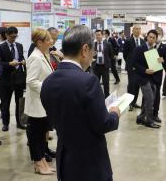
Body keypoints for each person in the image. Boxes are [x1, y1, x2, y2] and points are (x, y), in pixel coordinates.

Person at [41, 25, 120, 181]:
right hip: (90, 163)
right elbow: (103, 124)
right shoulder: (88, 81)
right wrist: (114, 113)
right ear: (85, 49)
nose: (93, 56)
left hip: (65, 161)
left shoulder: (48, 81)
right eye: (92, 51)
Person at [25, 28, 55, 175]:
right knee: (36, 135)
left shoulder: (44, 55)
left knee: (42, 134)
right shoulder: (35, 57)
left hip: (43, 103)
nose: (51, 42)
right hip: (37, 104)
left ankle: (42, 161)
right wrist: (48, 87)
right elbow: (31, 81)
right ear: (39, 42)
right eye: (48, 39)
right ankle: (38, 162)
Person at [133, 30, 166, 128]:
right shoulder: (139, 49)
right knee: (150, 98)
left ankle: (141, 117)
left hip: (152, 78)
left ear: (156, 39)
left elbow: (157, 62)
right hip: (143, 77)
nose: (151, 39)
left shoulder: (155, 49)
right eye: (150, 37)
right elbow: (134, 63)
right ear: (147, 37)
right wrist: (145, 70)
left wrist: (161, 61)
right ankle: (149, 120)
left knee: (151, 98)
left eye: (153, 38)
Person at [0, 26, 26, 131]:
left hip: (18, 78)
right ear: (6, 35)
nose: (14, 38)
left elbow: (21, 57)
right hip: (6, 79)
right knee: (6, 102)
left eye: (15, 36)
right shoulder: (0, 47)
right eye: (11, 36)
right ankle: (6, 123)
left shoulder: (19, 46)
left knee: (19, 101)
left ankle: (20, 122)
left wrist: (23, 60)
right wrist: (9, 63)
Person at [123, 24, 145, 111]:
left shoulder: (143, 41)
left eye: (139, 29)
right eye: (136, 29)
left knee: (137, 86)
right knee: (131, 85)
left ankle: (134, 101)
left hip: (140, 68)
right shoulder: (128, 41)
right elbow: (125, 55)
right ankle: (130, 103)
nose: (138, 30)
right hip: (131, 68)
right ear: (133, 30)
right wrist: (130, 64)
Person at [152, 27, 166, 122]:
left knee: (156, 94)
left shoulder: (164, 47)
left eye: (159, 33)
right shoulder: (147, 46)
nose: (157, 35)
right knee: (146, 94)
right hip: (147, 73)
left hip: (157, 74)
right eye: (156, 33)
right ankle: (145, 113)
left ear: (162, 35)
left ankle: (155, 113)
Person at [93, 30, 114, 98]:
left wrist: (109, 65)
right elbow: (90, 55)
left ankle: (107, 96)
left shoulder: (108, 44)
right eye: (96, 35)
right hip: (96, 67)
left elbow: (111, 56)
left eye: (99, 35)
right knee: (95, 83)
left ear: (102, 35)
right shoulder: (93, 45)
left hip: (105, 67)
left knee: (106, 83)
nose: (98, 36)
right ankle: (96, 97)